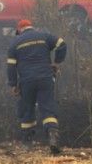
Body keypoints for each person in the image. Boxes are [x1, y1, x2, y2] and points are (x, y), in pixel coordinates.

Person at [6, 18, 67, 154]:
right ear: (31, 27)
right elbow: (62, 44)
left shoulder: (15, 43)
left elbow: (11, 67)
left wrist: (13, 84)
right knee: (47, 107)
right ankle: (52, 137)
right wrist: (56, 63)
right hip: (46, 78)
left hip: (26, 81)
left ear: (19, 30)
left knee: (26, 108)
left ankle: (27, 144)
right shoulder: (44, 36)